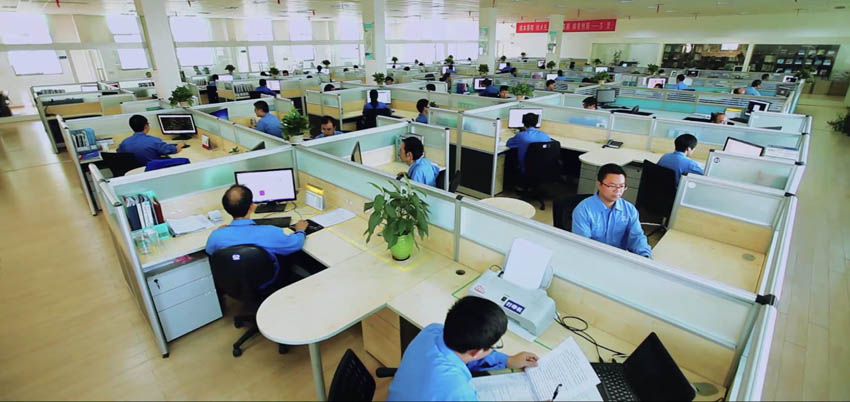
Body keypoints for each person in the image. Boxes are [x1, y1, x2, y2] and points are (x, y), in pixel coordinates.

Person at [387, 296, 539, 401]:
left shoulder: (432, 330)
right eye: (492, 346)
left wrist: (508, 361)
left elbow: (468, 354)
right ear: (476, 352)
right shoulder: (458, 391)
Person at [205, 185, 309, 290]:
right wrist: (300, 230)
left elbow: (211, 252)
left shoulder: (216, 236)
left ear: (226, 209)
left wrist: (221, 231)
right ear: (252, 207)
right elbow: (295, 244)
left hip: (233, 284)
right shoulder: (270, 232)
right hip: (267, 282)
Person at [572, 164, 652, 258]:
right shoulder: (583, 210)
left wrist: (645, 256)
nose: (617, 191)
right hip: (592, 257)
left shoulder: (629, 210)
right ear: (599, 184)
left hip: (619, 258)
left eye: (622, 186)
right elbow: (583, 245)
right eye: (612, 186)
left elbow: (637, 237)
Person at [117, 115, 183, 165]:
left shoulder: (124, 143)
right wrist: (179, 145)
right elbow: (174, 150)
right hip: (154, 170)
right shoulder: (154, 141)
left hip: (136, 172)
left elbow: (119, 154)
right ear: (146, 126)